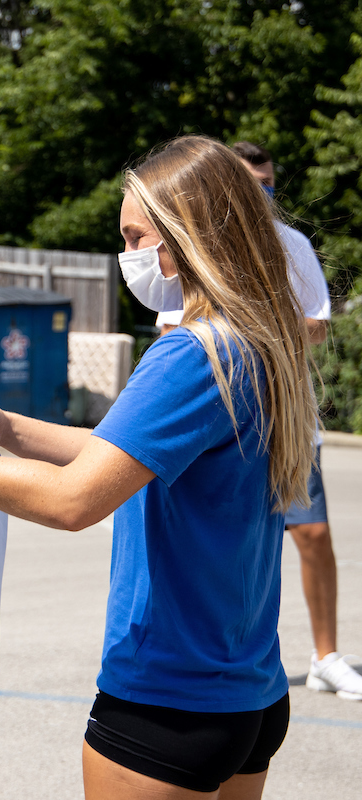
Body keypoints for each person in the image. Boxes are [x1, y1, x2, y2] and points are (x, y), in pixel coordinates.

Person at [0, 135, 317, 799]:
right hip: (249, 695)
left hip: (166, 702)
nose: (128, 254)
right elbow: (117, 457)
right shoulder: (257, 341)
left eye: (135, 236)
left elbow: (74, 501)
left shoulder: (190, 355)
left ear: (184, 235)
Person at [157, 141, 362, 702]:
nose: (265, 192)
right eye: (255, 183)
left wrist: (260, 323)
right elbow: (172, 327)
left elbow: (318, 323)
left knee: (313, 535)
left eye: (271, 182)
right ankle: (226, 656)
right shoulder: (197, 248)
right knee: (235, 546)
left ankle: (325, 657)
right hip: (222, 423)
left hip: (287, 420)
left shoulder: (292, 244)